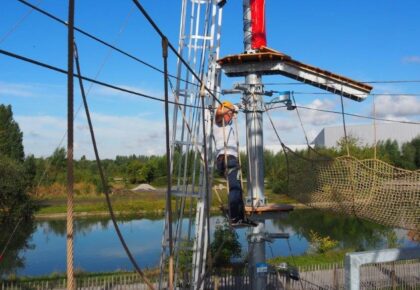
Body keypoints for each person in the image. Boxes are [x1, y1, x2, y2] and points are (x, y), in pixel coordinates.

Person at [213, 101, 248, 225]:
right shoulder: (218, 123)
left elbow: (232, 110)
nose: (232, 116)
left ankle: (240, 217)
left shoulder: (228, 124)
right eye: (230, 113)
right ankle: (234, 217)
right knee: (234, 188)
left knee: (238, 189)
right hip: (226, 158)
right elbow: (218, 113)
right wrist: (229, 109)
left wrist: (236, 107)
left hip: (230, 159)